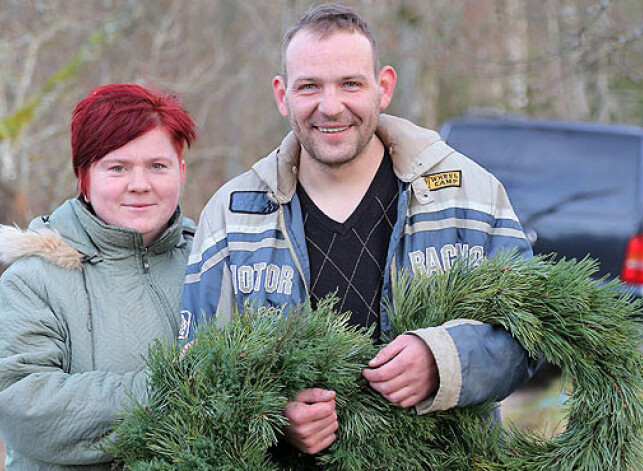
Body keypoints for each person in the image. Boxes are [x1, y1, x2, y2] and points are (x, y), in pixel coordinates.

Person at [180, 3, 535, 456]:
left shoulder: (470, 195)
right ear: (282, 95)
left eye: (351, 83)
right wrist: (271, 416)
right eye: (309, 86)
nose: (331, 107)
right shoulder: (231, 216)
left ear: (383, 87)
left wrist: (443, 362)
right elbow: (194, 373)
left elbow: (530, 336)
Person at [0, 84, 196, 470]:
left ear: (181, 171)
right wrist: (170, 389)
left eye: (158, 166)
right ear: (84, 178)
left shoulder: (210, 261)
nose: (139, 184)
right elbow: (23, 408)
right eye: (117, 167)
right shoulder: (33, 278)